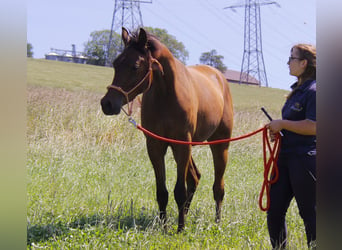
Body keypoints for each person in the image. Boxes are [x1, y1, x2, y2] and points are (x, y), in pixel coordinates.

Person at [265, 44, 316, 249]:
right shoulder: (297, 91)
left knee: (310, 213)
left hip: (305, 159)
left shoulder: (314, 91)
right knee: (274, 210)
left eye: (292, 58)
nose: (288, 62)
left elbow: (314, 126)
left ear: (303, 63)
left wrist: (283, 124)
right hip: (285, 158)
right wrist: (279, 131)